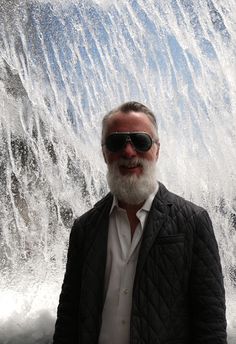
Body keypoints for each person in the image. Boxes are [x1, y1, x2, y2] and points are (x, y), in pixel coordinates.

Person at [53, 101, 227, 344]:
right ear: (105, 153)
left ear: (157, 150)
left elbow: (210, 321)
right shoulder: (85, 227)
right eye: (116, 142)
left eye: (140, 140)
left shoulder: (193, 221)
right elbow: (69, 315)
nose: (128, 152)